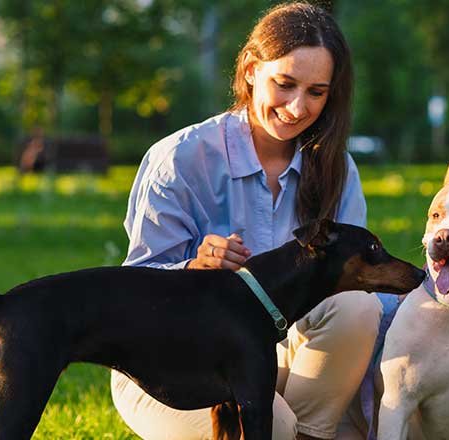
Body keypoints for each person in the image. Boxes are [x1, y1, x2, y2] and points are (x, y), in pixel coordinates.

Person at [111, 3, 381, 439]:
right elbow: (132, 294)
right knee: (274, 426)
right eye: (285, 83)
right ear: (252, 69)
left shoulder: (336, 168)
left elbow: (365, 288)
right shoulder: (180, 159)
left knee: (358, 302)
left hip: (275, 356)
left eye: (316, 92)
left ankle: (309, 432)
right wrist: (192, 269)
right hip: (173, 364)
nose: (297, 107)